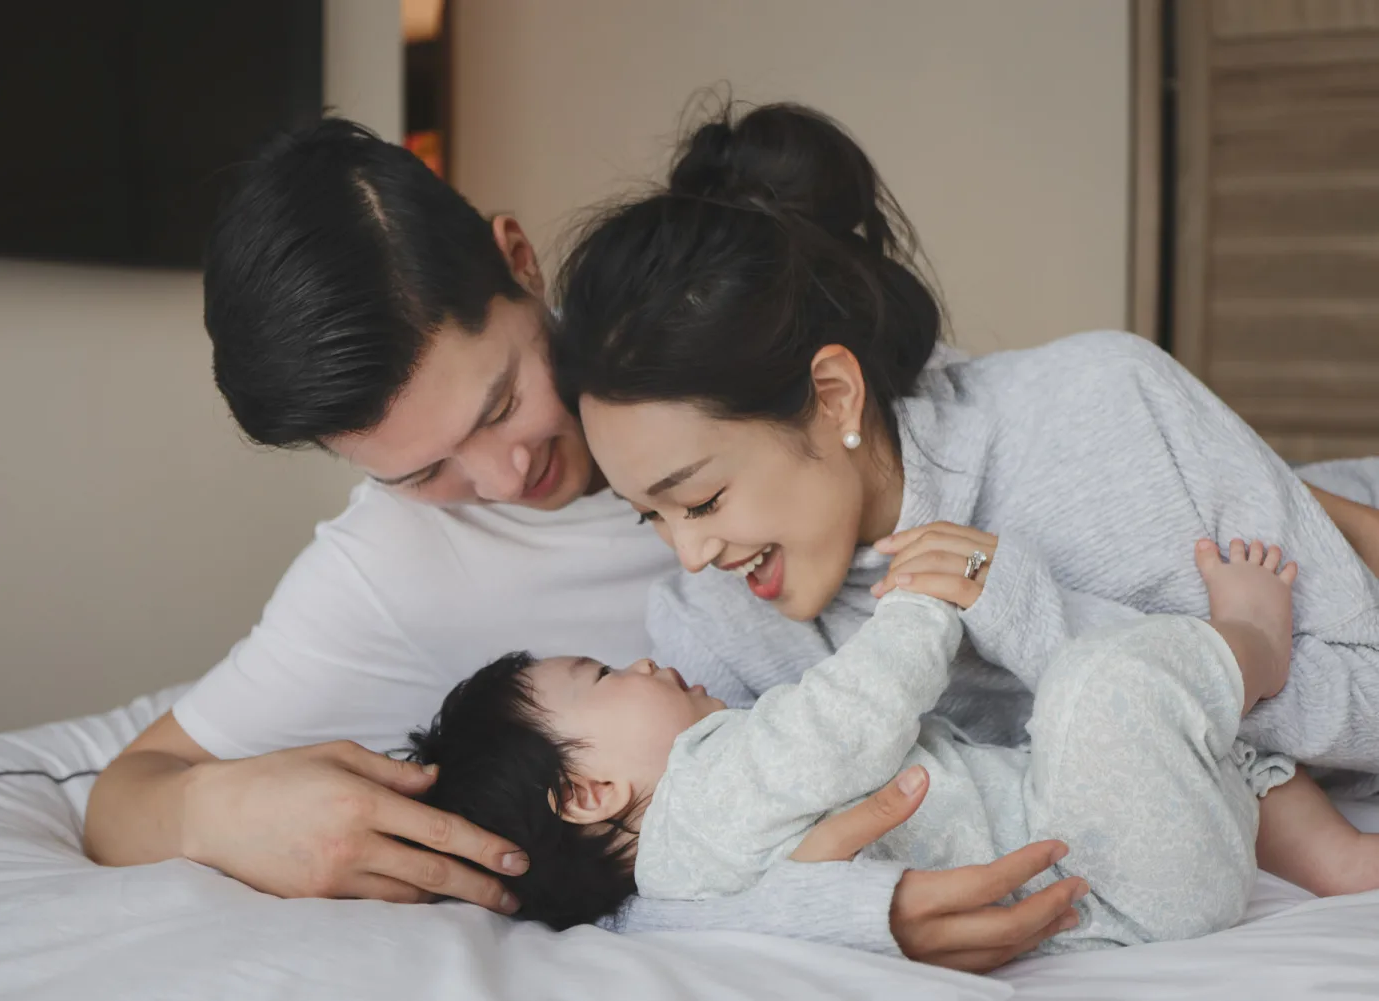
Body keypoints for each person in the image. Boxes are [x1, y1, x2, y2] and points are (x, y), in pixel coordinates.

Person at [83, 112, 1379, 970]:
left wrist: (1272, 551)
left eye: (498, 404)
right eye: (427, 472)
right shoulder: (427, 576)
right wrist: (218, 806)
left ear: (521, 265)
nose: (505, 475)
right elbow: (127, 788)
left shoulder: (717, 335)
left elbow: (1001, 447)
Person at [549, 101, 1379, 910]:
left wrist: (1041, 621)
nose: (690, 554)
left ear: (834, 395)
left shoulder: (1101, 407)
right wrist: (875, 918)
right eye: (649, 514)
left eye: (701, 499)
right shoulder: (711, 632)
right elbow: (683, 873)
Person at [409, 539, 1305, 955]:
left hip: (1109, 886)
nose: (641, 661)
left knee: (1090, 724)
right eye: (603, 674)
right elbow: (850, 717)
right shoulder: (713, 788)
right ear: (588, 792)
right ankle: (1255, 642)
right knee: (1098, 681)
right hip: (1111, 870)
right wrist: (919, 604)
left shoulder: (680, 888)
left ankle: (1314, 835)